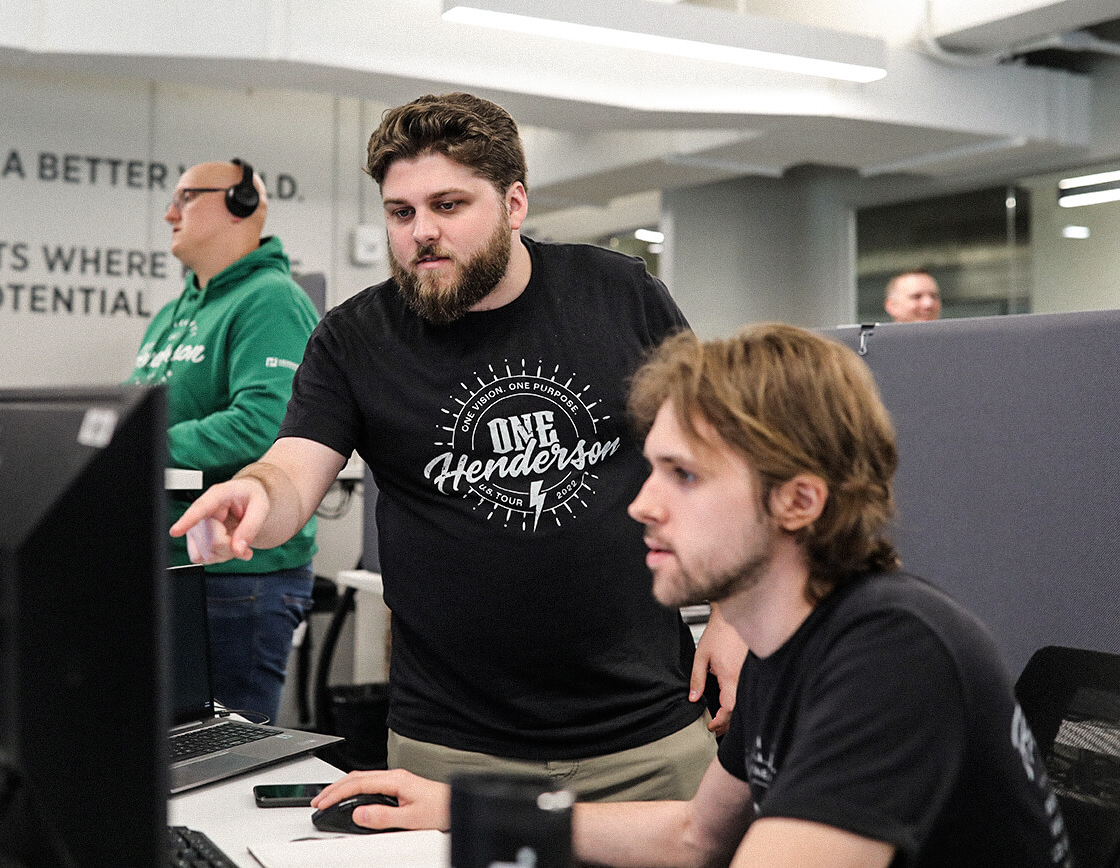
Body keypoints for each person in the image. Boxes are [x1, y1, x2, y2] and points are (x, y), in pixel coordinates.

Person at [312, 323, 1074, 868]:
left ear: (797, 500)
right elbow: (694, 837)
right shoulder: (786, 643)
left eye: (684, 475)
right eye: (650, 469)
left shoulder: (891, 651)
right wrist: (459, 807)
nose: (641, 505)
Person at [172, 93, 742, 800]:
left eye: (448, 205)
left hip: (648, 732)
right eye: (400, 212)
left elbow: (718, 454)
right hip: (447, 751)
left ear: (513, 203)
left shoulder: (619, 294)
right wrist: (255, 494)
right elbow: (293, 469)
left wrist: (731, 614)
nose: (421, 232)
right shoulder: (355, 338)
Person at [127, 159, 320, 724]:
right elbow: (131, 412)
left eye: (185, 197)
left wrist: (134, 442)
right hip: (170, 567)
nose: (170, 214)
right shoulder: (172, 313)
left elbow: (263, 421)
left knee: (224, 752)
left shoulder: (272, 299)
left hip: (238, 578)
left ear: (240, 205)